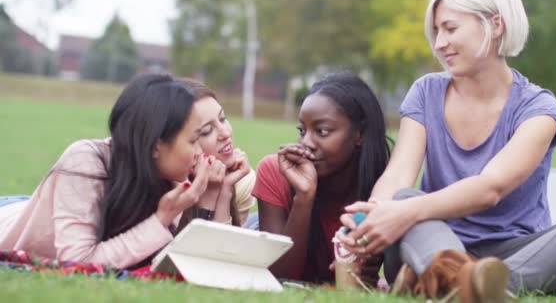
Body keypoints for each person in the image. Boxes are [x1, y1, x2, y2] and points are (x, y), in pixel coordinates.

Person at [338, 0, 556, 301]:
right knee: (405, 199)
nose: (439, 43)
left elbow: (490, 188)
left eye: (450, 28)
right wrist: (372, 216)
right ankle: (473, 284)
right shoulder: (426, 92)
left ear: (495, 24)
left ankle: (463, 286)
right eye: (436, 31)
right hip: (430, 240)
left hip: (516, 253)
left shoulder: (539, 108)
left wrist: (406, 211)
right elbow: (398, 175)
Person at [0, 74, 252, 269]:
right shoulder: (86, 161)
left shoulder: (177, 177)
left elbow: (186, 264)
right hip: (12, 219)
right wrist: (162, 219)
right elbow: (78, 262)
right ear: (156, 146)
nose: (201, 152)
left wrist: (216, 193)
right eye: (196, 138)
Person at [252, 73, 392, 284]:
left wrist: (367, 273)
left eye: (322, 131)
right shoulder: (275, 170)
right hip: (257, 234)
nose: (306, 142)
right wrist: (304, 197)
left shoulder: (383, 186)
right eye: (302, 130)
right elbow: (278, 278)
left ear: (360, 135)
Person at [178, 79, 255, 227]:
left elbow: (226, 246)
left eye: (223, 119)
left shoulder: (242, 181)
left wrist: (225, 191)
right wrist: (209, 195)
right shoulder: (173, 187)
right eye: (207, 131)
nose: (225, 133)